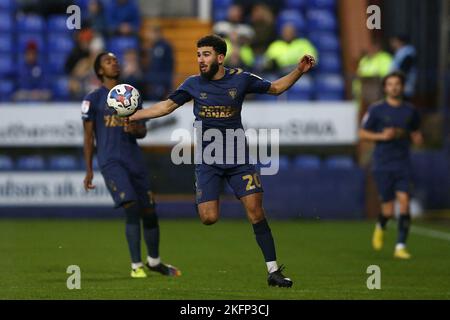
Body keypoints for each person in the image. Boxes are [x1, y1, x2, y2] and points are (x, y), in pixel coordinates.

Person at [128, 35, 315, 287]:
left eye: (205, 54)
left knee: (256, 211)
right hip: (208, 160)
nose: (200, 60)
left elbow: (276, 88)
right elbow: (164, 107)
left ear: (219, 57)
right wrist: (134, 115)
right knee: (208, 218)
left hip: (239, 159)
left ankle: (273, 271)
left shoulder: (241, 79)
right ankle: (204, 193)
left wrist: (299, 70)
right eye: (198, 55)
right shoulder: (192, 84)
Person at [82, 51, 181, 278]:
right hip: (110, 161)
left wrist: (135, 128)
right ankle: (136, 265)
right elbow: (88, 137)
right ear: (99, 71)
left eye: (115, 60)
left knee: (149, 210)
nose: (114, 63)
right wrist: (89, 170)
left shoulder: (131, 94)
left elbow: (143, 131)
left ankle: (154, 261)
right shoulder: (93, 99)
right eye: (108, 61)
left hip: (134, 159)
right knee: (131, 206)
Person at [359, 71, 423, 259]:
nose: (394, 87)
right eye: (390, 84)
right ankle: (381, 225)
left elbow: (416, 132)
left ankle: (400, 246)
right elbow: (362, 133)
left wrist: (417, 138)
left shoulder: (410, 111)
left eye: (397, 84)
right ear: (385, 88)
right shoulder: (376, 110)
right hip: (382, 163)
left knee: (404, 202)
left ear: (402, 87)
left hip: (403, 163)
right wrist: (381, 136)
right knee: (387, 209)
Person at [389, 35, 417, 99]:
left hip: (404, 86)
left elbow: (404, 70)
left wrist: (397, 81)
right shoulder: (400, 52)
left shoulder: (407, 52)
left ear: (400, 42)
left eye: (394, 42)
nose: (392, 44)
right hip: (399, 85)